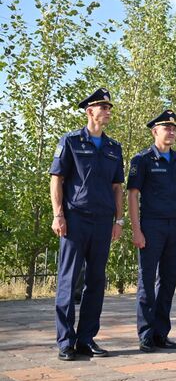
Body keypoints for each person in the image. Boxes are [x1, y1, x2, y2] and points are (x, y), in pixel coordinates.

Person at [50, 88, 124, 361]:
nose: (108, 112)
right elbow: (57, 179)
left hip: (104, 220)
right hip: (75, 218)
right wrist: (58, 214)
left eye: (109, 108)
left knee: (96, 280)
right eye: (103, 107)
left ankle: (86, 338)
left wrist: (119, 220)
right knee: (69, 280)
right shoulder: (70, 141)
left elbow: (117, 187)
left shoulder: (114, 147)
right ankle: (66, 341)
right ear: (89, 111)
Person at [127, 110, 176, 352]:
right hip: (151, 226)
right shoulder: (141, 160)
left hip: (174, 226)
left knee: (168, 281)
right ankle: (145, 333)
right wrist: (136, 229)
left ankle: (161, 333)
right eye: (167, 128)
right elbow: (133, 195)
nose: (172, 132)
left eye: (174, 129)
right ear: (155, 131)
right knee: (146, 281)